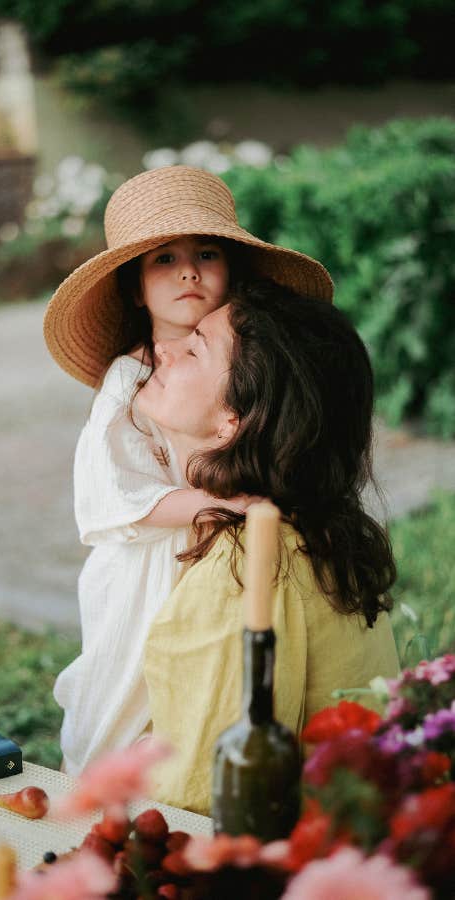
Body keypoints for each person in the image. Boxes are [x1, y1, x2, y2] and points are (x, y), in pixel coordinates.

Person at [43, 165, 333, 775]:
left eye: (206, 253)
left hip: (225, 553)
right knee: (137, 685)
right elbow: (110, 490)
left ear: (232, 268)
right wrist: (218, 505)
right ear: (134, 289)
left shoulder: (250, 357)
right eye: (164, 259)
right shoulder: (130, 378)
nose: (188, 272)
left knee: (214, 682)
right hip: (149, 559)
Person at [137, 281, 401, 815]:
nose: (163, 347)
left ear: (233, 420)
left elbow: (202, 796)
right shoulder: (313, 528)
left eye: (195, 348)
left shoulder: (248, 565)